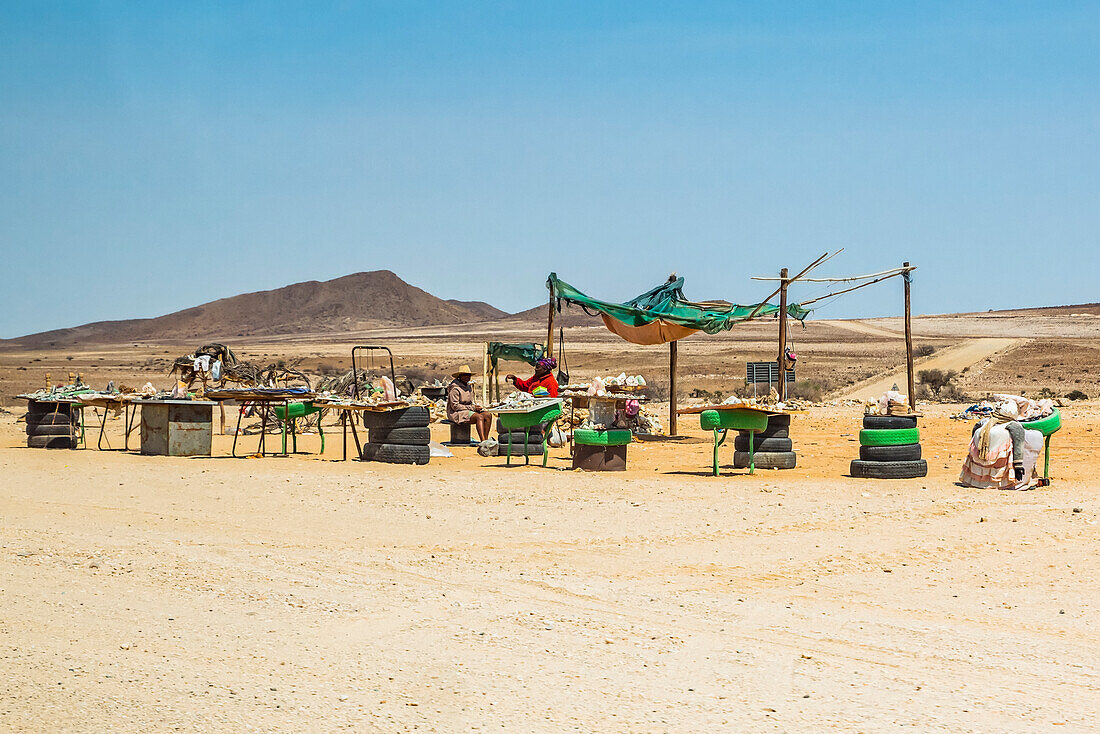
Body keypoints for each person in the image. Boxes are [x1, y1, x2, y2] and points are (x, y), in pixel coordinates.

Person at [959, 400, 1043, 489]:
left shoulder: (986, 422)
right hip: (997, 464)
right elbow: (1018, 444)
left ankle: (980, 482)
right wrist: (1018, 465)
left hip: (978, 462)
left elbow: (975, 429)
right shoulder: (1013, 426)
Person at [447, 364, 492, 441]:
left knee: (488, 415)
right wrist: (472, 408)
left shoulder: (468, 387)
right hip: (456, 413)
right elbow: (455, 406)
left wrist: (476, 408)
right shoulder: (455, 389)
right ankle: (483, 441)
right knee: (479, 417)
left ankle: (486, 439)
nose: (467, 377)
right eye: (464, 375)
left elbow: (470, 403)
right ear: (459, 376)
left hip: (467, 411)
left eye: (468, 375)